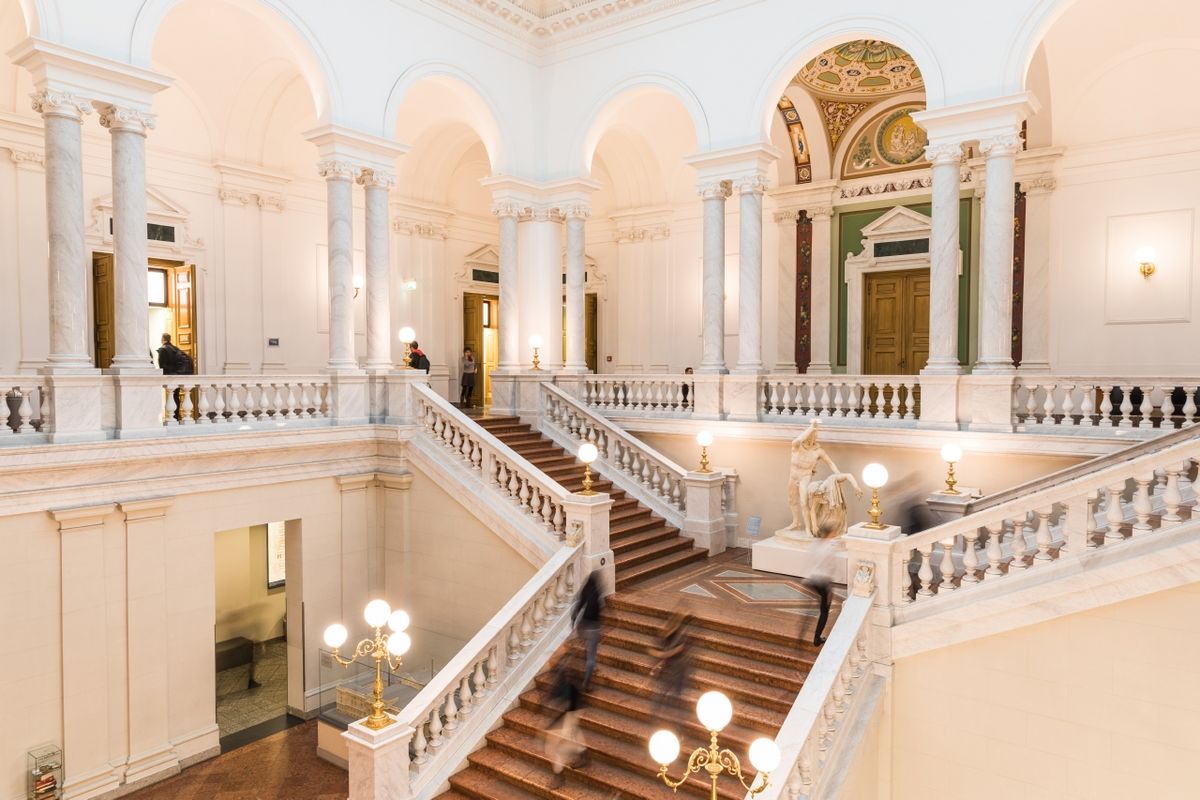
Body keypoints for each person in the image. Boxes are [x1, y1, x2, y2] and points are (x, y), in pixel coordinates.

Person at [544, 648, 588, 789]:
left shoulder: (564, 671)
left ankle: (559, 776)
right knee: (571, 735)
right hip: (569, 711)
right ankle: (584, 754)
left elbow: (565, 695)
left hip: (569, 711)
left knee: (552, 747)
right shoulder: (561, 669)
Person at [799, 523, 840, 646]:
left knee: (815, 606)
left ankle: (802, 628)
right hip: (822, 581)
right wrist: (829, 589)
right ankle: (817, 638)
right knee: (824, 610)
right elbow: (829, 567)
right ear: (829, 534)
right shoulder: (829, 548)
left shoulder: (815, 544)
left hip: (810, 579)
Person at [648, 611, 692, 720]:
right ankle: (663, 712)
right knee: (670, 690)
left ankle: (661, 711)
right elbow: (667, 653)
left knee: (670, 690)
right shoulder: (673, 636)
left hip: (677, 668)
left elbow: (668, 653)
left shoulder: (676, 635)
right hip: (675, 668)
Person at [572, 571, 604, 691]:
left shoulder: (585, 591)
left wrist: (574, 621)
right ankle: (586, 683)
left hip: (582, 626)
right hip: (593, 628)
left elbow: (578, 607)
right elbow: (599, 611)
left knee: (587, 648)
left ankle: (588, 667)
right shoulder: (597, 593)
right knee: (592, 657)